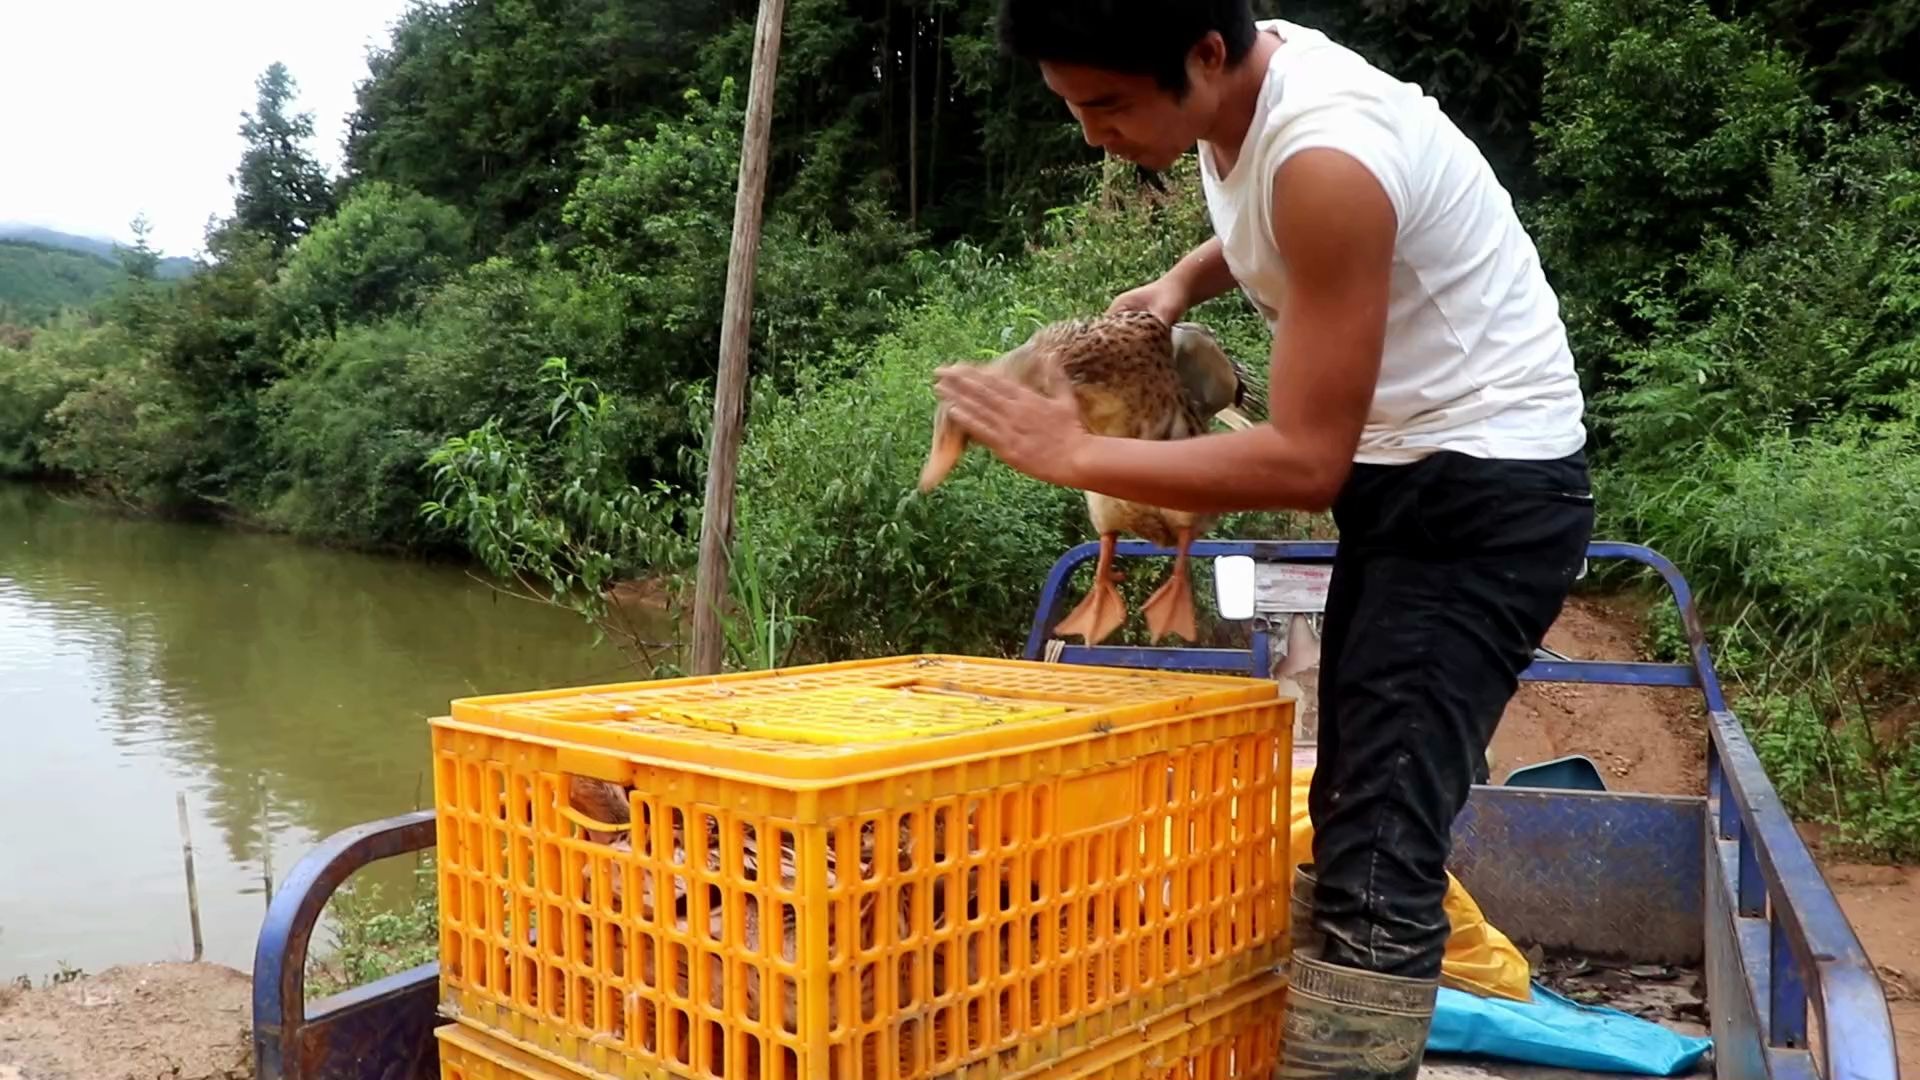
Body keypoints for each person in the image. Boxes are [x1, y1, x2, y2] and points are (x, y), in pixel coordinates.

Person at [932, 3, 1596, 1077]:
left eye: (1106, 104)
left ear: (1203, 54)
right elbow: (1267, 215)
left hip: (1480, 491)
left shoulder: (1329, 156)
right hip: (1410, 473)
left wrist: (1074, 454)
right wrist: (1184, 281)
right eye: (1072, 107)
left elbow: (1299, 466)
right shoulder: (1250, 82)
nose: (1092, 133)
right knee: (1355, 801)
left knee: (1378, 841)